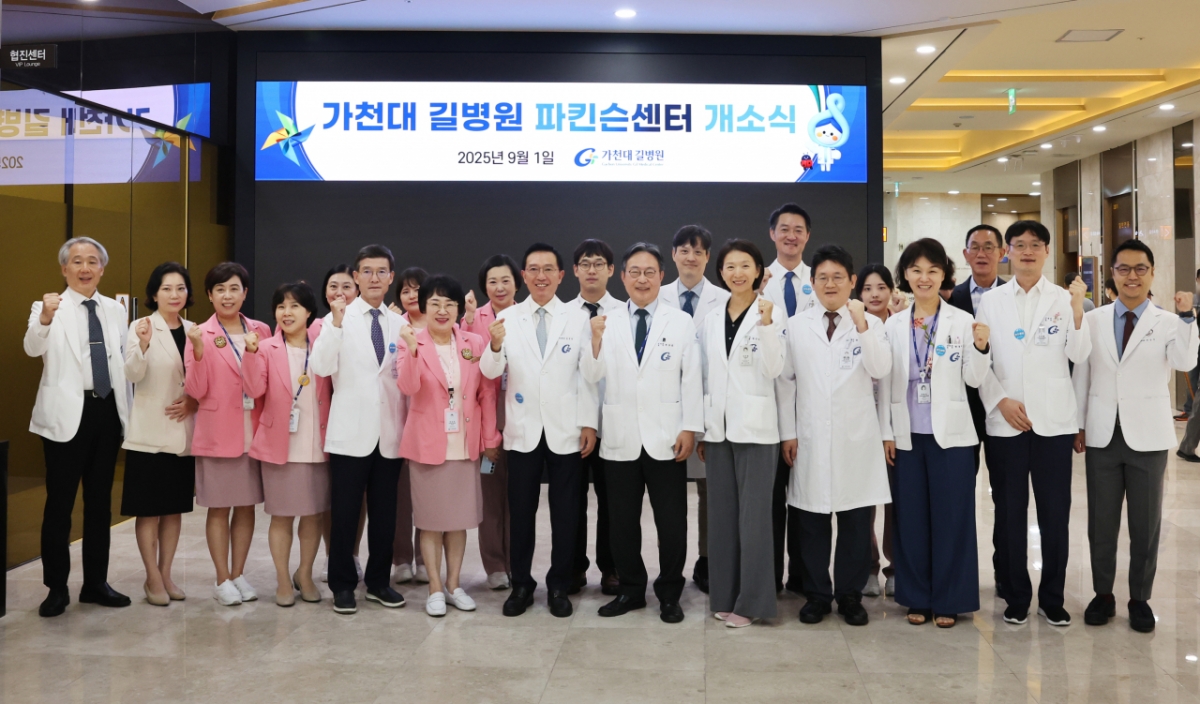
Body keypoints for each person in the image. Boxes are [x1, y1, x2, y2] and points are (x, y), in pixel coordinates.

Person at [1075, 240, 1197, 632]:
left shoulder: (1169, 321)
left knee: (1146, 525)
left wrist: (1188, 316)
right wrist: (1079, 424)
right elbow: (1083, 374)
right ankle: (1103, 594)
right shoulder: (1094, 319)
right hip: (1102, 433)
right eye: (1124, 269)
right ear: (1112, 274)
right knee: (1101, 522)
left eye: (1140, 268)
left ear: (1152, 273)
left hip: (1147, 436)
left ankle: (1139, 598)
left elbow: (1185, 361)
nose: (1132, 276)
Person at [976, 220, 1090, 626]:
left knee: (1055, 513)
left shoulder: (1064, 299)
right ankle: (1016, 595)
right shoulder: (991, 301)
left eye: (1035, 245)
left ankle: (1052, 597)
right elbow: (980, 361)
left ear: (1046, 251)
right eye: (1019, 245)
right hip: (1006, 422)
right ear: (1007, 252)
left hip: (1053, 424)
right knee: (1009, 512)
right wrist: (1000, 401)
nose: (1027, 251)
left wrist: (1078, 310)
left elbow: (1079, 355)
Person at [582, 242, 703, 624]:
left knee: (672, 523)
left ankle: (669, 593)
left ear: (662, 276)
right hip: (620, 438)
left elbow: (692, 377)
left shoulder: (679, 321)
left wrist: (690, 427)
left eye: (650, 272)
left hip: (667, 438)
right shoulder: (606, 322)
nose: (642, 279)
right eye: (634, 272)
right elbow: (591, 376)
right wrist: (594, 343)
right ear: (622, 277)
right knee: (621, 522)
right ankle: (631, 590)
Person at [480, 243, 599, 618]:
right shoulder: (507, 318)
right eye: (533, 269)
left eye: (548, 269)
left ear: (561, 275)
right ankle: (521, 585)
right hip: (523, 430)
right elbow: (489, 371)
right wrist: (494, 345)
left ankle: (560, 585)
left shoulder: (577, 318)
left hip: (567, 429)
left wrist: (589, 422)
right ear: (524, 276)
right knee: (521, 513)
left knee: (566, 513)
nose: (541, 276)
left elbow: (588, 376)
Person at [777, 244, 892, 626]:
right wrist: (788, 433)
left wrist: (861, 325)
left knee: (856, 522)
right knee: (811, 521)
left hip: (855, 439)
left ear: (852, 281)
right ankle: (816, 595)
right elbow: (786, 383)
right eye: (823, 277)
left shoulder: (870, 324)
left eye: (838, 277)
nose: (830, 284)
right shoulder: (797, 326)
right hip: (809, 436)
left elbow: (880, 368)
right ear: (812, 282)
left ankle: (849, 596)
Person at [879, 239, 990, 628]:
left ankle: (949, 599)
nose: (924, 278)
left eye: (932, 270)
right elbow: (885, 382)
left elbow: (974, 379)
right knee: (910, 518)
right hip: (907, 435)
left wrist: (981, 347)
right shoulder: (894, 324)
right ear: (905, 276)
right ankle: (916, 597)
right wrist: (886, 432)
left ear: (944, 274)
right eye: (916, 270)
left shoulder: (962, 320)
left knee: (953, 518)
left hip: (952, 436)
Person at [25, 237, 133, 617]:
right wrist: (45, 318)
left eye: (92, 261)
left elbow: (122, 364)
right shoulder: (47, 306)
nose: (84, 268)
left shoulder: (115, 310)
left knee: (100, 503)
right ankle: (56, 588)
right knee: (60, 504)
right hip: (65, 417)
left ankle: (95, 584)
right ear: (64, 269)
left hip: (107, 412)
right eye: (76, 261)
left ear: (102, 269)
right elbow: (32, 347)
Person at [311, 244, 408, 615]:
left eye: (381, 271)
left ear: (391, 277)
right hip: (350, 433)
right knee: (345, 513)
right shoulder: (336, 320)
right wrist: (335, 325)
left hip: (389, 433)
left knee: (385, 514)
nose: (374, 278)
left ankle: (379, 582)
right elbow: (321, 367)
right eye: (366, 271)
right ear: (355, 277)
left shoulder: (399, 325)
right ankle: (342, 584)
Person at [397, 275, 502, 616]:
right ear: (424, 307)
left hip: (464, 444)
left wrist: (490, 438)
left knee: (458, 521)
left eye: (449, 304)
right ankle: (434, 588)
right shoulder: (411, 341)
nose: (442, 311)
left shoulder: (474, 342)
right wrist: (413, 352)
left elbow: (486, 393)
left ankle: (454, 585)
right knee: (430, 521)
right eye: (435, 304)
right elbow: (408, 387)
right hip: (427, 445)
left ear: (459, 308)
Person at [698, 239, 785, 628]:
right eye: (730, 266)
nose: (738, 273)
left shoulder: (771, 313)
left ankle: (752, 602)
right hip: (718, 430)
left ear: (759, 271)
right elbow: (705, 374)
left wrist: (766, 326)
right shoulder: (711, 316)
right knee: (721, 518)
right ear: (721, 272)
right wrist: (703, 427)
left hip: (756, 429)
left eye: (745, 265)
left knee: (754, 521)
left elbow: (774, 368)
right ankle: (724, 595)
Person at [184, 262, 272, 606]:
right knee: (219, 509)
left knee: (247, 508)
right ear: (209, 295)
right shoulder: (199, 334)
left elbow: (266, 381)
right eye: (220, 289)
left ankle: (238, 574)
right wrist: (198, 352)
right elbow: (196, 390)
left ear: (245, 292)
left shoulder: (261, 330)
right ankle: (221, 579)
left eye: (234, 288)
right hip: (218, 434)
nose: (227, 295)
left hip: (255, 433)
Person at [243, 282, 332, 606]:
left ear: (309, 312)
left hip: (317, 444)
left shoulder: (322, 346)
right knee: (281, 516)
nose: (286, 312)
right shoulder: (265, 348)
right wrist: (250, 354)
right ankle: (283, 579)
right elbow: (254, 390)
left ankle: (304, 574)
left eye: (294, 306)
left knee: (313, 515)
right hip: (279, 445)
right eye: (281, 306)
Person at [657, 225, 730, 594]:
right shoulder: (656, 295)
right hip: (664, 411)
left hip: (708, 408)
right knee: (667, 495)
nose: (690, 257)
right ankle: (669, 566)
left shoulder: (725, 299)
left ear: (707, 257)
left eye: (698, 251)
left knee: (709, 491)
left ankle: (706, 560)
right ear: (673, 255)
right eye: (684, 250)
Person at [121, 262, 197, 606]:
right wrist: (144, 345)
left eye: (180, 288)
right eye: (166, 288)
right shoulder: (141, 326)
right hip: (149, 434)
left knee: (173, 510)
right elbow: (132, 374)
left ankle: (166, 573)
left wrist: (194, 401)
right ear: (154, 293)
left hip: (181, 435)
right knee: (148, 510)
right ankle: (152, 577)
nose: (174, 294)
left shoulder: (195, 330)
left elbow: (204, 379)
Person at [759, 203, 819, 595]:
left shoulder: (821, 279)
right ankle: (769, 578)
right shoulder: (758, 281)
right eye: (784, 229)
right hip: (767, 406)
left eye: (798, 229)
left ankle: (802, 576)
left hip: (812, 405)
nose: (791, 236)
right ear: (772, 234)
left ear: (807, 236)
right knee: (770, 500)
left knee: (805, 498)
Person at [947, 223, 1009, 597]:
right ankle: (958, 573)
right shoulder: (949, 299)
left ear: (1002, 252)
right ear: (965, 254)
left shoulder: (1013, 298)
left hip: (1003, 410)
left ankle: (1005, 573)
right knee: (958, 495)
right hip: (962, 411)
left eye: (989, 246)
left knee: (1006, 497)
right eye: (975, 247)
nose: (982, 253)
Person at [564, 240, 624, 595]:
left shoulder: (624, 313)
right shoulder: (564, 314)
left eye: (599, 263)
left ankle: (611, 567)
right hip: (572, 422)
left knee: (612, 501)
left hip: (613, 420)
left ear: (610, 270)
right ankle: (573, 567)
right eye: (585, 263)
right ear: (575, 270)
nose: (591, 270)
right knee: (572, 500)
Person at [463, 254, 523, 591]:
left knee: (519, 498)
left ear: (517, 283)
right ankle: (496, 565)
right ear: (484, 286)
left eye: (505, 280)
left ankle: (517, 561)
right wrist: (488, 434)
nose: (500, 287)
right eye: (492, 282)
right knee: (490, 498)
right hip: (487, 420)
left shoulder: (526, 316)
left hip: (522, 418)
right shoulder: (473, 321)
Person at [853, 264, 904, 599]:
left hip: (896, 427)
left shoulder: (901, 324)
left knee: (896, 502)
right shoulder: (852, 325)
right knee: (863, 503)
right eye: (868, 288)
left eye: (881, 287)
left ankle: (895, 567)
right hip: (860, 426)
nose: (874, 294)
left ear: (892, 290)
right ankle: (868, 567)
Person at [317, 264, 365, 583]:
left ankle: (353, 554)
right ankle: (332, 554)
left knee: (358, 499)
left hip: (358, 424)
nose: (339, 292)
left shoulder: (368, 322)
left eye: (346, 286)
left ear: (357, 290)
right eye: (333, 286)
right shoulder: (321, 324)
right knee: (331, 498)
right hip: (323, 422)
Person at [391, 267, 429, 586]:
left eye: (417, 289)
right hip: (396, 421)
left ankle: (425, 558)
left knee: (428, 497)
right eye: (405, 290)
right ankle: (401, 559)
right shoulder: (393, 326)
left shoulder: (443, 325)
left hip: (429, 425)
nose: (412, 295)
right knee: (400, 499)